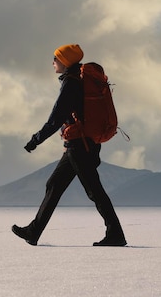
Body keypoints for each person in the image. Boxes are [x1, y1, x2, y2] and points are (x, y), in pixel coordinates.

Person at [12, 44, 127, 247]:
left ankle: (116, 234)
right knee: (54, 185)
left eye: (55, 59)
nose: (53, 62)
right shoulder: (77, 80)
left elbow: (56, 118)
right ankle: (34, 231)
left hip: (79, 146)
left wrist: (36, 140)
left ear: (64, 62)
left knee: (94, 191)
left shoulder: (72, 83)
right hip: (81, 144)